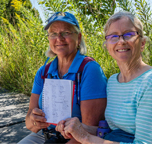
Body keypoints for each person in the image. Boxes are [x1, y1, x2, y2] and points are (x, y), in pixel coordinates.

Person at [55, 11, 152, 144]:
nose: (121, 41)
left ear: (142, 43)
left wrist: (85, 137)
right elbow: (109, 132)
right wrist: (76, 127)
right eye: (113, 36)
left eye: (128, 34)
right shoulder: (113, 81)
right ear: (107, 46)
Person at [18, 11, 107, 144]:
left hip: (78, 139)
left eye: (66, 32)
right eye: (53, 34)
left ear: (79, 38)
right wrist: (35, 120)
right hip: (46, 136)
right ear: (49, 38)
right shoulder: (44, 72)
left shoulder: (89, 69)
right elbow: (29, 124)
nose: (59, 38)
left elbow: (89, 131)